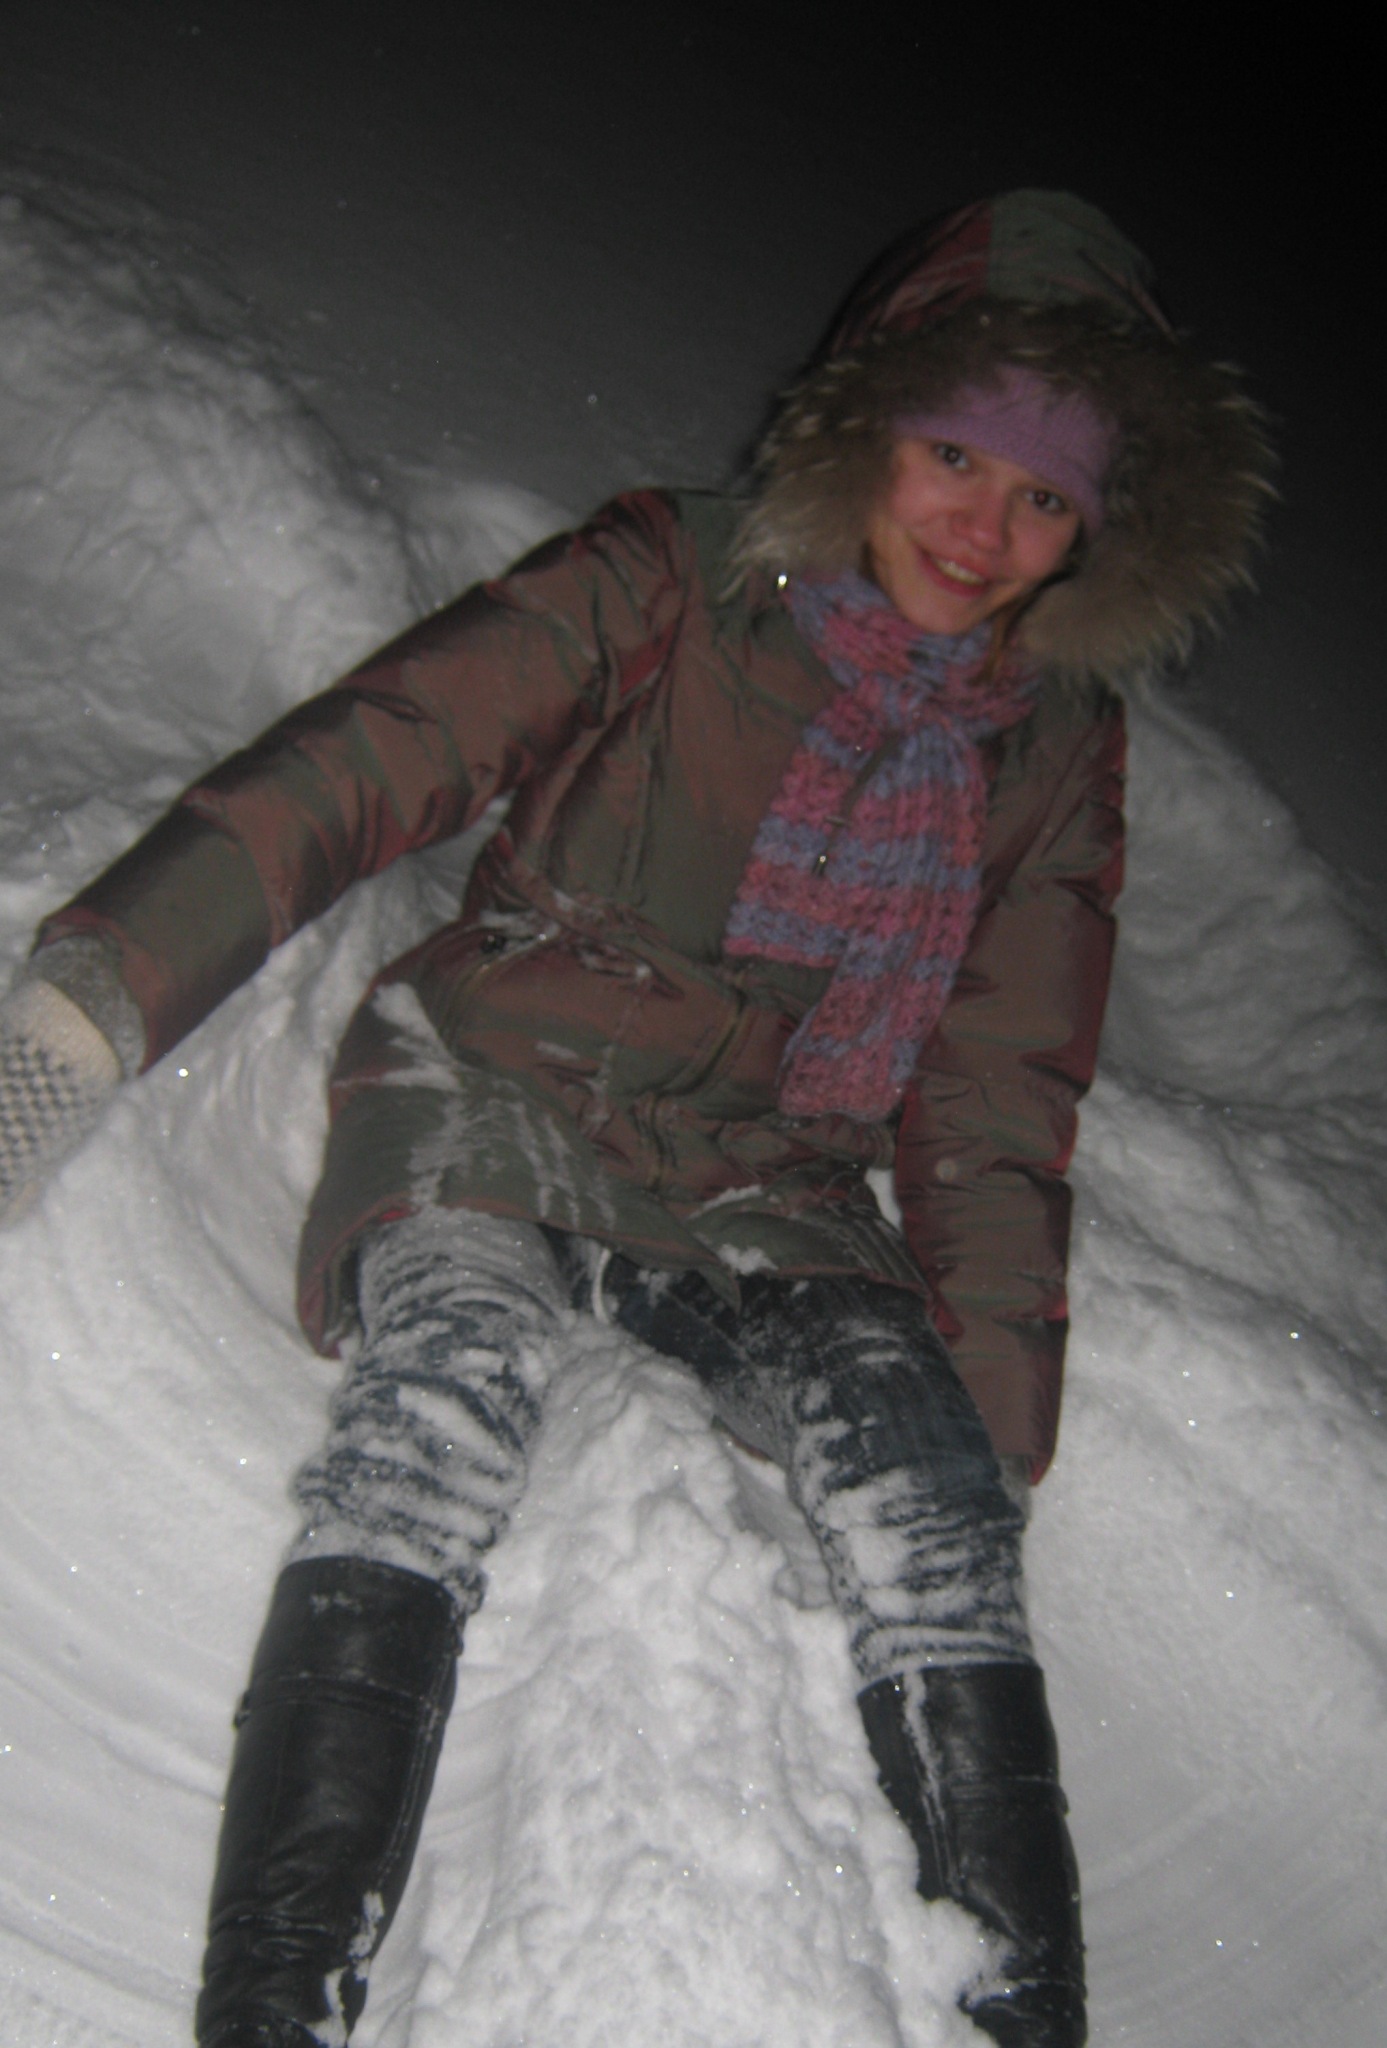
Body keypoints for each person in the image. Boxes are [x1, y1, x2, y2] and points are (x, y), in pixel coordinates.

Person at [0, 190, 1271, 2048]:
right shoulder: (676, 575)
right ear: (868, 425)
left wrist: (986, 1427)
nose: (982, 528)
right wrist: (95, 1006)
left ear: (1101, 531)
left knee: (932, 1505)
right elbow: (370, 763)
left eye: (1044, 497)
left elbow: (1001, 1089)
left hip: (773, 1183)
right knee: (438, 1413)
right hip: (505, 1082)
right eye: (950, 454)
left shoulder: (1052, 743)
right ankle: (274, 2003)